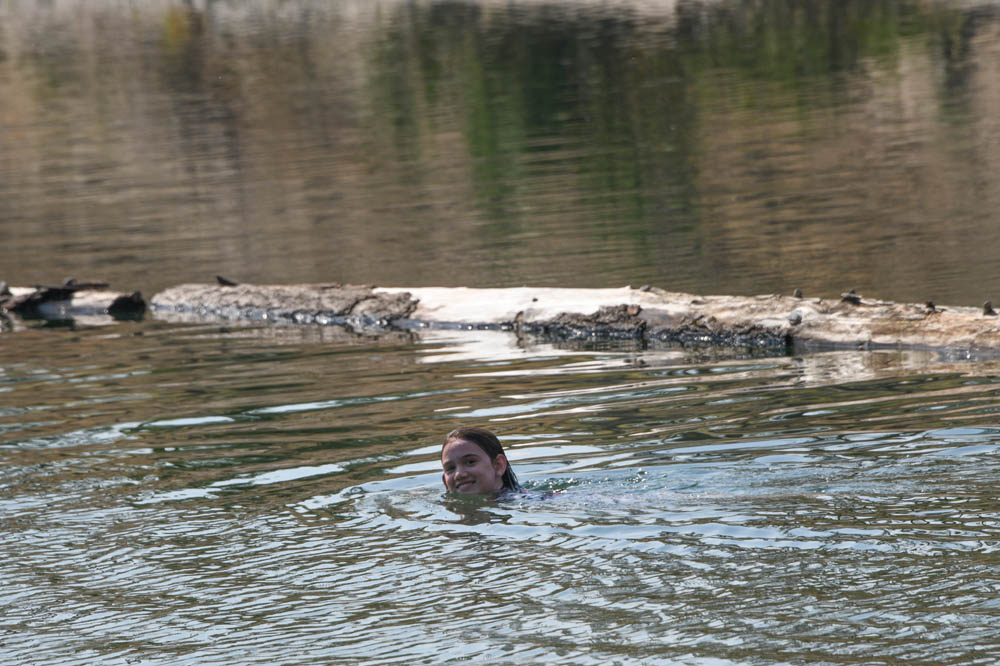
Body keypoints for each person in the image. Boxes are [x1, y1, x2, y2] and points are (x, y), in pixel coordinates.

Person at [441, 426, 521, 496]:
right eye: (450, 468)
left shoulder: (525, 502)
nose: (459, 474)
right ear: (445, 481)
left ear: (498, 465)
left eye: (470, 462)